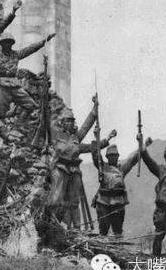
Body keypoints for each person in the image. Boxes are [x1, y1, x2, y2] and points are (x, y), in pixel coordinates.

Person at [47, 98, 115, 228]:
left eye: (72, 121)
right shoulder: (56, 135)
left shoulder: (76, 138)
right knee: (56, 199)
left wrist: (94, 110)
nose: (70, 123)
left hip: (74, 172)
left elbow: (87, 130)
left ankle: (76, 227)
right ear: (62, 123)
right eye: (68, 121)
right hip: (60, 170)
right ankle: (53, 225)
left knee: (74, 202)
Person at [91, 137, 153, 238]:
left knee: (118, 231)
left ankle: (117, 245)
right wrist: (96, 139)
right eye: (111, 156)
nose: (113, 158)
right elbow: (96, 157)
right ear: (107, 157)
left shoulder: (122, 169)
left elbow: (133, 159)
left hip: (118, 203)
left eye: (115, 156)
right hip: (103, 202)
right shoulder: (102, 167)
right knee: (103, 231)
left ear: (118, 156)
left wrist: (144, 145)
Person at [0, 31, 55, 118]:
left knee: (31, 105)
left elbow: (30, 49)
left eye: (9, 42)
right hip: (2, 86)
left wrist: (44, 40)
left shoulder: (16, 54)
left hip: (14, 85)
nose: (7, 45)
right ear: (2, 44)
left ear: (12, 44)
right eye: (5, 42)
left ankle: (18, 118)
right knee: (0, 113)